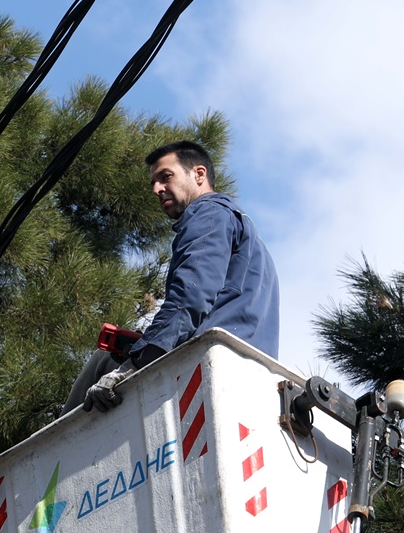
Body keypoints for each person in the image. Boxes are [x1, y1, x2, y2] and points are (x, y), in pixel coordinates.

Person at [66, 140, 281, 412]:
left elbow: (190, 296)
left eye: (166, 177)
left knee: (104, 361)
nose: (157, 189)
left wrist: (132, 365)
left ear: (199, 174)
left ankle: (49, 451)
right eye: (153, 183)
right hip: (250, 372)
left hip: (210, 362)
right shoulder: (249, 238)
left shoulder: (209, 212)